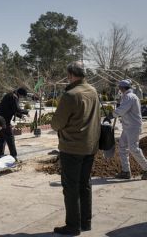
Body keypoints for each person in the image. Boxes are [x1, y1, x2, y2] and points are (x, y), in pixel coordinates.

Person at [51, 61, 101, 235]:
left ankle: (73, 226)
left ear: (70, 75)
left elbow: (57, 123)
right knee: (85, 184)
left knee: (71, 187)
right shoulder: (93, 91)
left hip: (72, 147)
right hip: (90, 145)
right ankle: (85, 222)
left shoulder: (70, 95)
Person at [113, 79, 147, 180]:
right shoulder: (127, 96)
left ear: (122, 88)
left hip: (133, 126)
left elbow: (122, 110)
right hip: (128, 126)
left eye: (119, 87)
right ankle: (126, 171)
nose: (119, 89)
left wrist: (112, 114)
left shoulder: (129, 97)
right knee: (122, 147)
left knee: (133, 148)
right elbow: (123, 108)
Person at [0, 87, 29, 161]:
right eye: (22, 96)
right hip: (3, 121)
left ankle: (0, 154)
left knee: (2, 138)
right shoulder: (14, 97)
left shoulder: (10, 95)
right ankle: (14, 156)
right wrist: (26, 112)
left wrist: (20, 116)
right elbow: (16, 109)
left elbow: (12, 109)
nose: (22, 98)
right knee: (10, 137)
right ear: (21, 94)